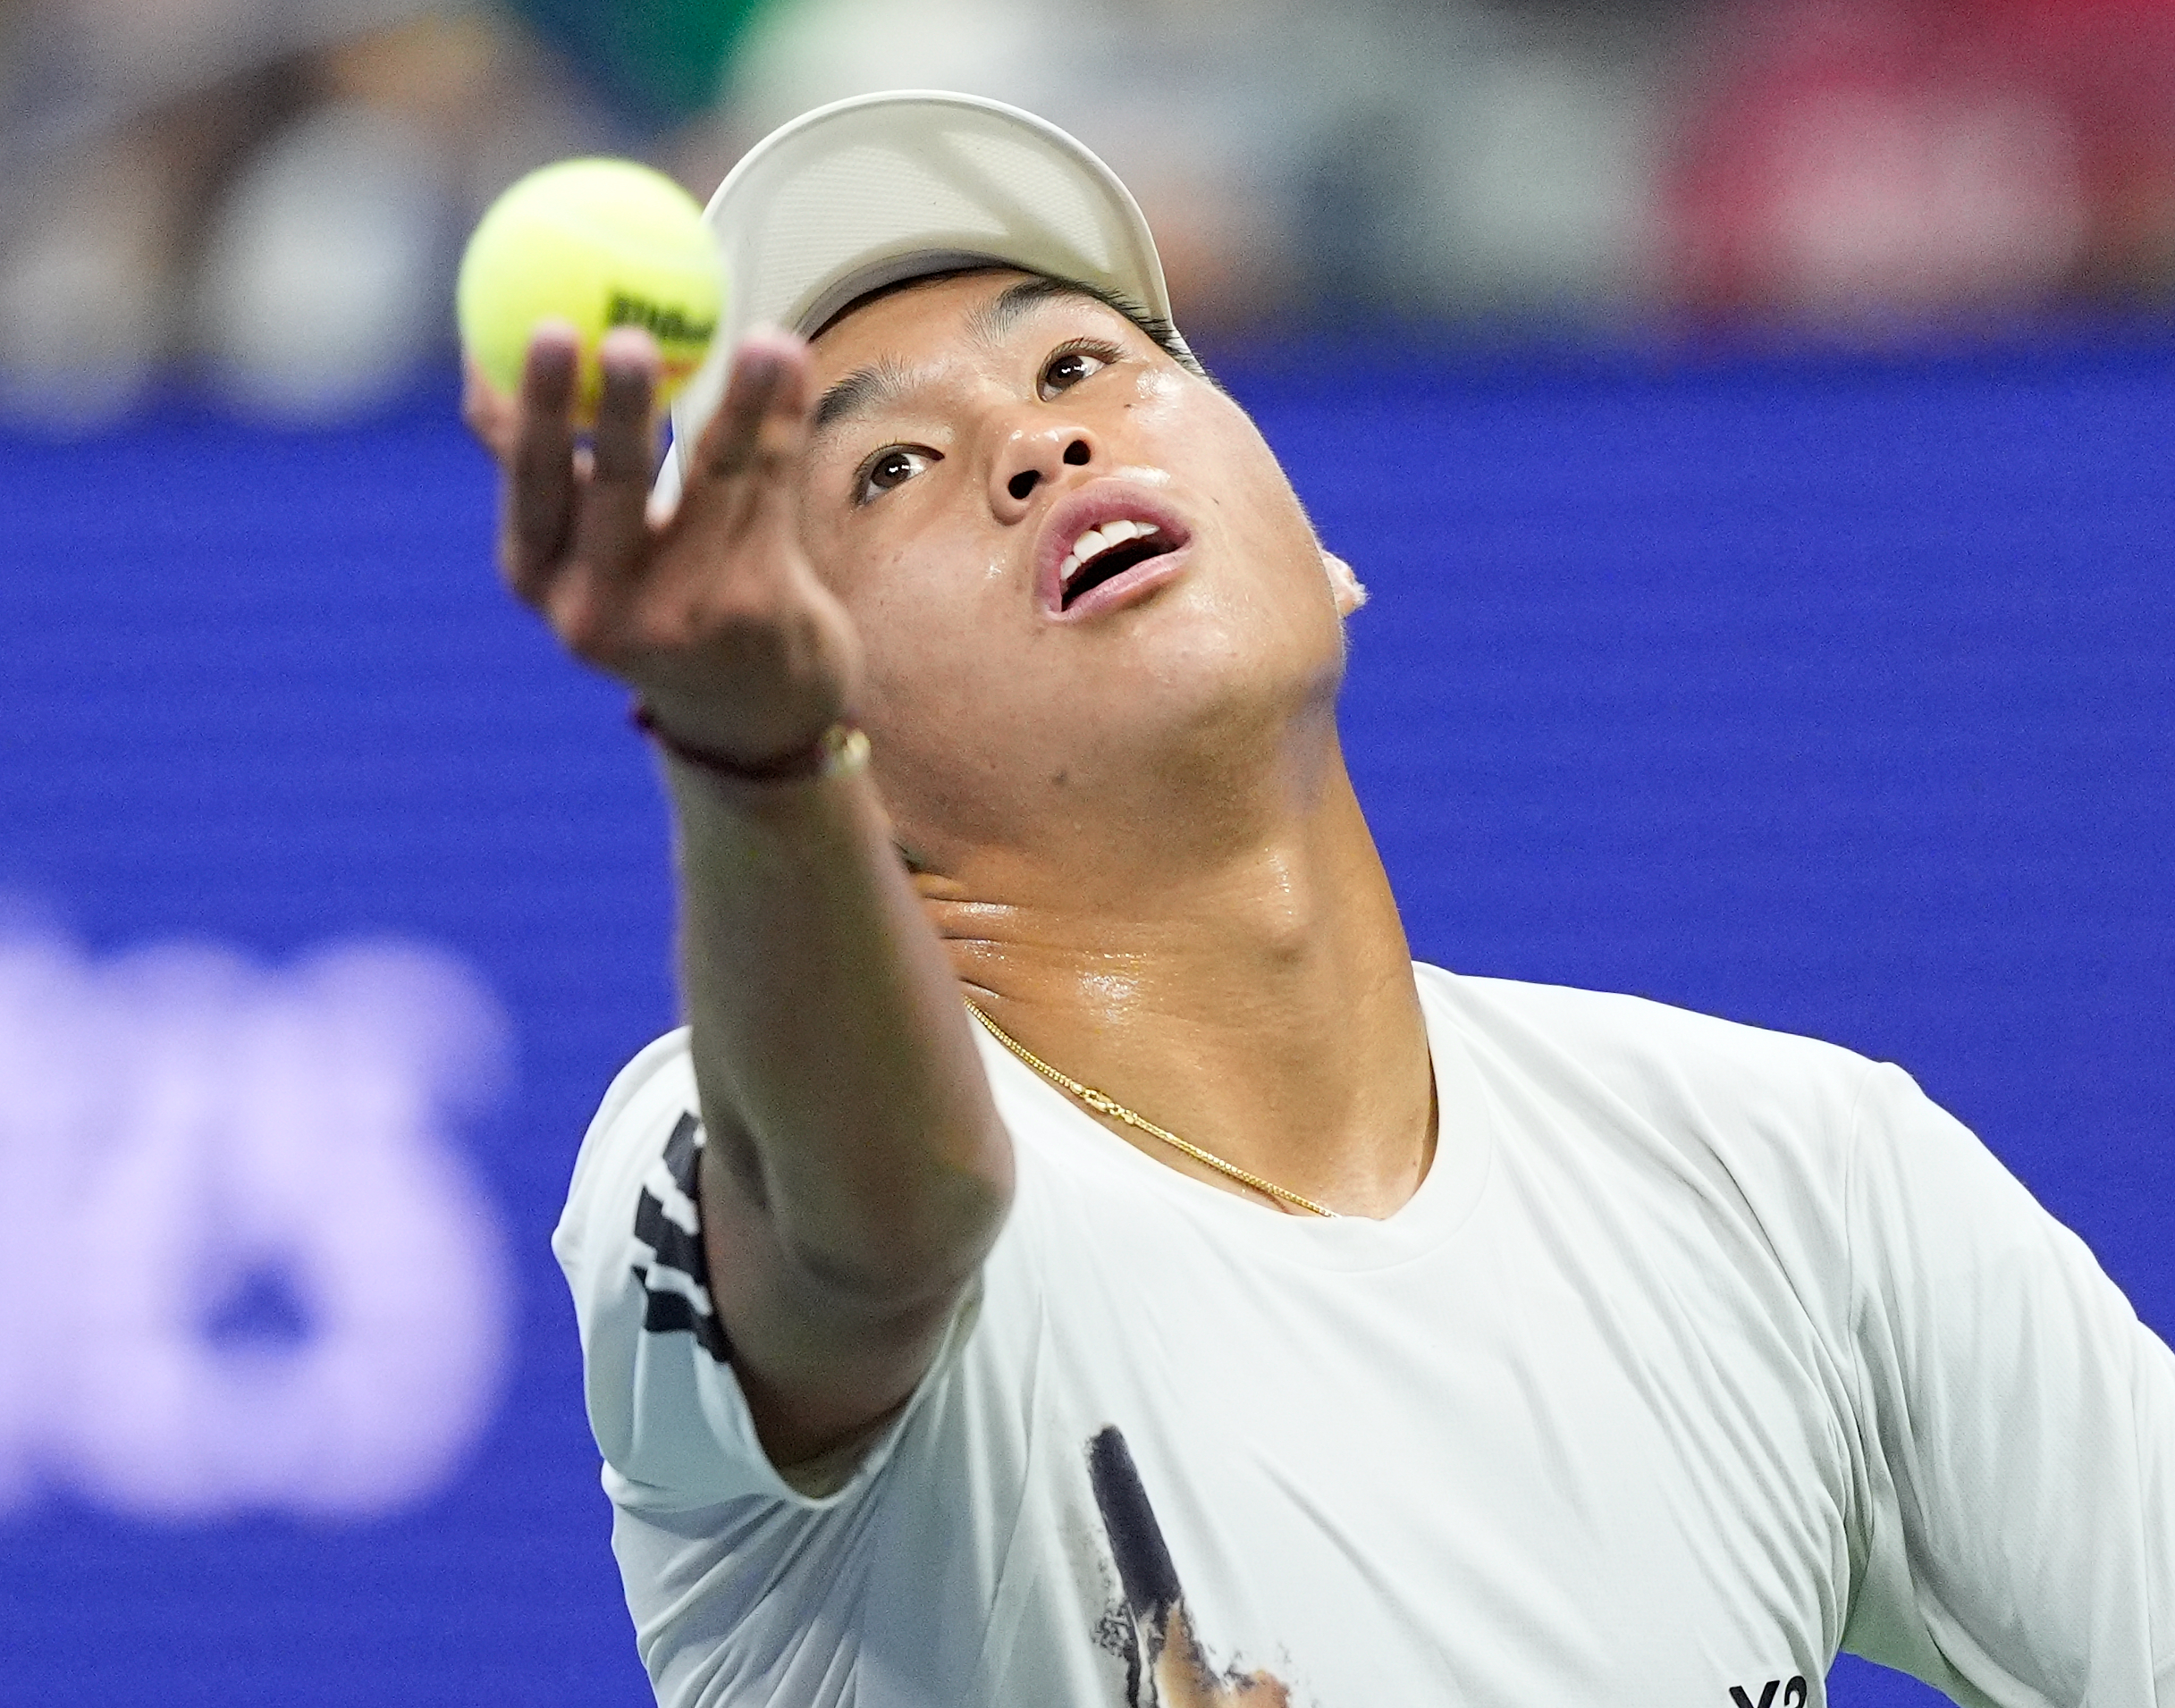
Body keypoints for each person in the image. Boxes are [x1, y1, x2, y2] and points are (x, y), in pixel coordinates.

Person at [465, 92, 2174, 1708]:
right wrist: (751, 765)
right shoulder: (716, 1130)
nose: (1036, 440)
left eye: (1084, 361)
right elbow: (871, 1234)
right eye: (886, 471)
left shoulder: (1801, 1182)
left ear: (1322, 542)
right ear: (830, 713)